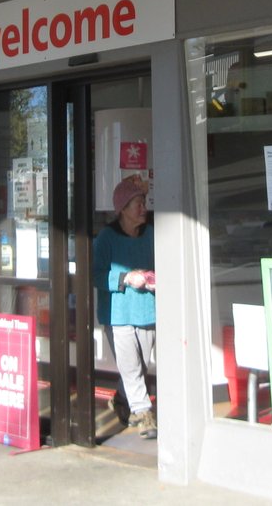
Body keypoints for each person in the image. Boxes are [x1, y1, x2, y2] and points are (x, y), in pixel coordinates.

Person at [93, 172, 157, 439]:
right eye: (138, 203)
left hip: (147, 310)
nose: (143, 208)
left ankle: (121, 398)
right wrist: (125, 277)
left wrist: (155, 279)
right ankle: (144, 415)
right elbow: (96, 274)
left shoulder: (151, 235)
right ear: (123, 209)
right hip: (118, 314)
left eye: (144, 202)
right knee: (131, 366)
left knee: (139, 365)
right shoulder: (106, 238)